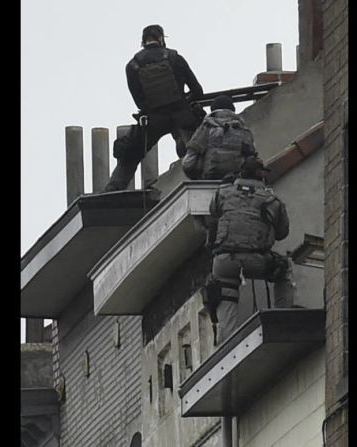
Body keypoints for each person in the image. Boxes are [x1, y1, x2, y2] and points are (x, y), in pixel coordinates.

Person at [204, 156, 297, 343]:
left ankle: (225, 342)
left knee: (226, 293)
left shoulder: (223, 193)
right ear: (261, 174)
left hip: (224, 261)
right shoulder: (272, 200)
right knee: (284, 268)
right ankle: (283, 320)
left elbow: (213, 214)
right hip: (256, 261)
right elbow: (282, 233)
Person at [103, 24, 205, 192]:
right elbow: (198, 91)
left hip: (153, 120)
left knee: (130, 155)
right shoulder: (175, 58)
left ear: (143, 42)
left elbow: (139, 102)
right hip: (182, 116)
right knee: (194, 148)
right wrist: (182, 100)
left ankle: (112, 191)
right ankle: (202, 183)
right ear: (162, 38)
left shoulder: (132, 65)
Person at [182, 95, 256, 180]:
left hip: (210, 180)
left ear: (213, 110)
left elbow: (188, 163)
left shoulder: (207, 127)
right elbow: (251, 160)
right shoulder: (246, 132)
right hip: (236, 182)